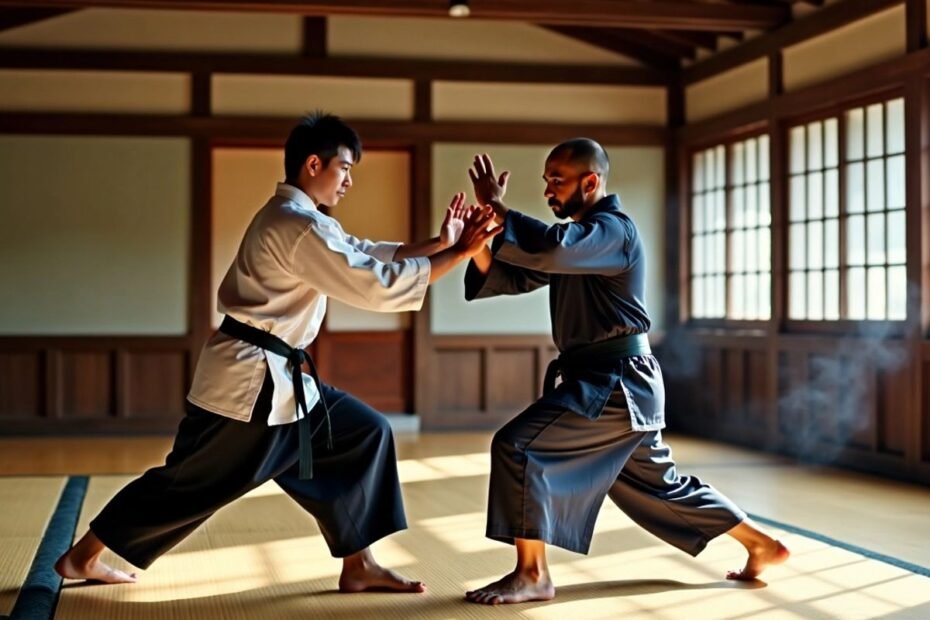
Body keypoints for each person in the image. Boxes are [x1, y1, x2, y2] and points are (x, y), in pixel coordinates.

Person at [54, 112, 501, 593]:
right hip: (250, 384)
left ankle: (359, 563)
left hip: (281, 380)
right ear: (314, 164)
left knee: (362, 435)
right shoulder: (296, 225)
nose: (349, 180)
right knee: (190, 484)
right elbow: (373, 283)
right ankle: (83, 557)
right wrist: (457, 256)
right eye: (345, 168)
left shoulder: (305, 220)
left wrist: (439, 243)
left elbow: (364, 252)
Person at [461, 140, 789, 605]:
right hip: (612, 384)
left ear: (590, 182)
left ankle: (532, 574)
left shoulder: (611, 231)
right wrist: (477, 244)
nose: (549, 189)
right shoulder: (579, 242)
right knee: (660, 486)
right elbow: (516, 275)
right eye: (546, 179)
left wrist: (498, 209)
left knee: (518, 447)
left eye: (558, 179)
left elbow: (550, 250)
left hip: (615, 384)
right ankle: (762, 544)